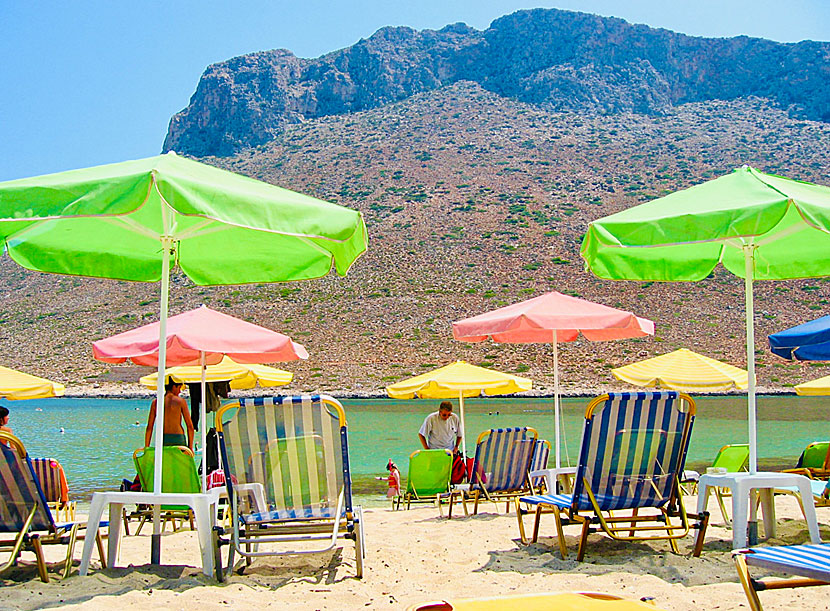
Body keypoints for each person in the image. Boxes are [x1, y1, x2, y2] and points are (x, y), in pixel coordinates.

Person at [144, 380, 194, 451]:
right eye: (179, 388)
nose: (179, 392)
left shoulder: (156, 403)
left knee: (164, 461)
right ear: (174, 387)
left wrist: (147, 447)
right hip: (178, 438)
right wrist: (190, 447)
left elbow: (149, 427)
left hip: (162, 438)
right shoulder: (180, 401)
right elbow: (190, 426)